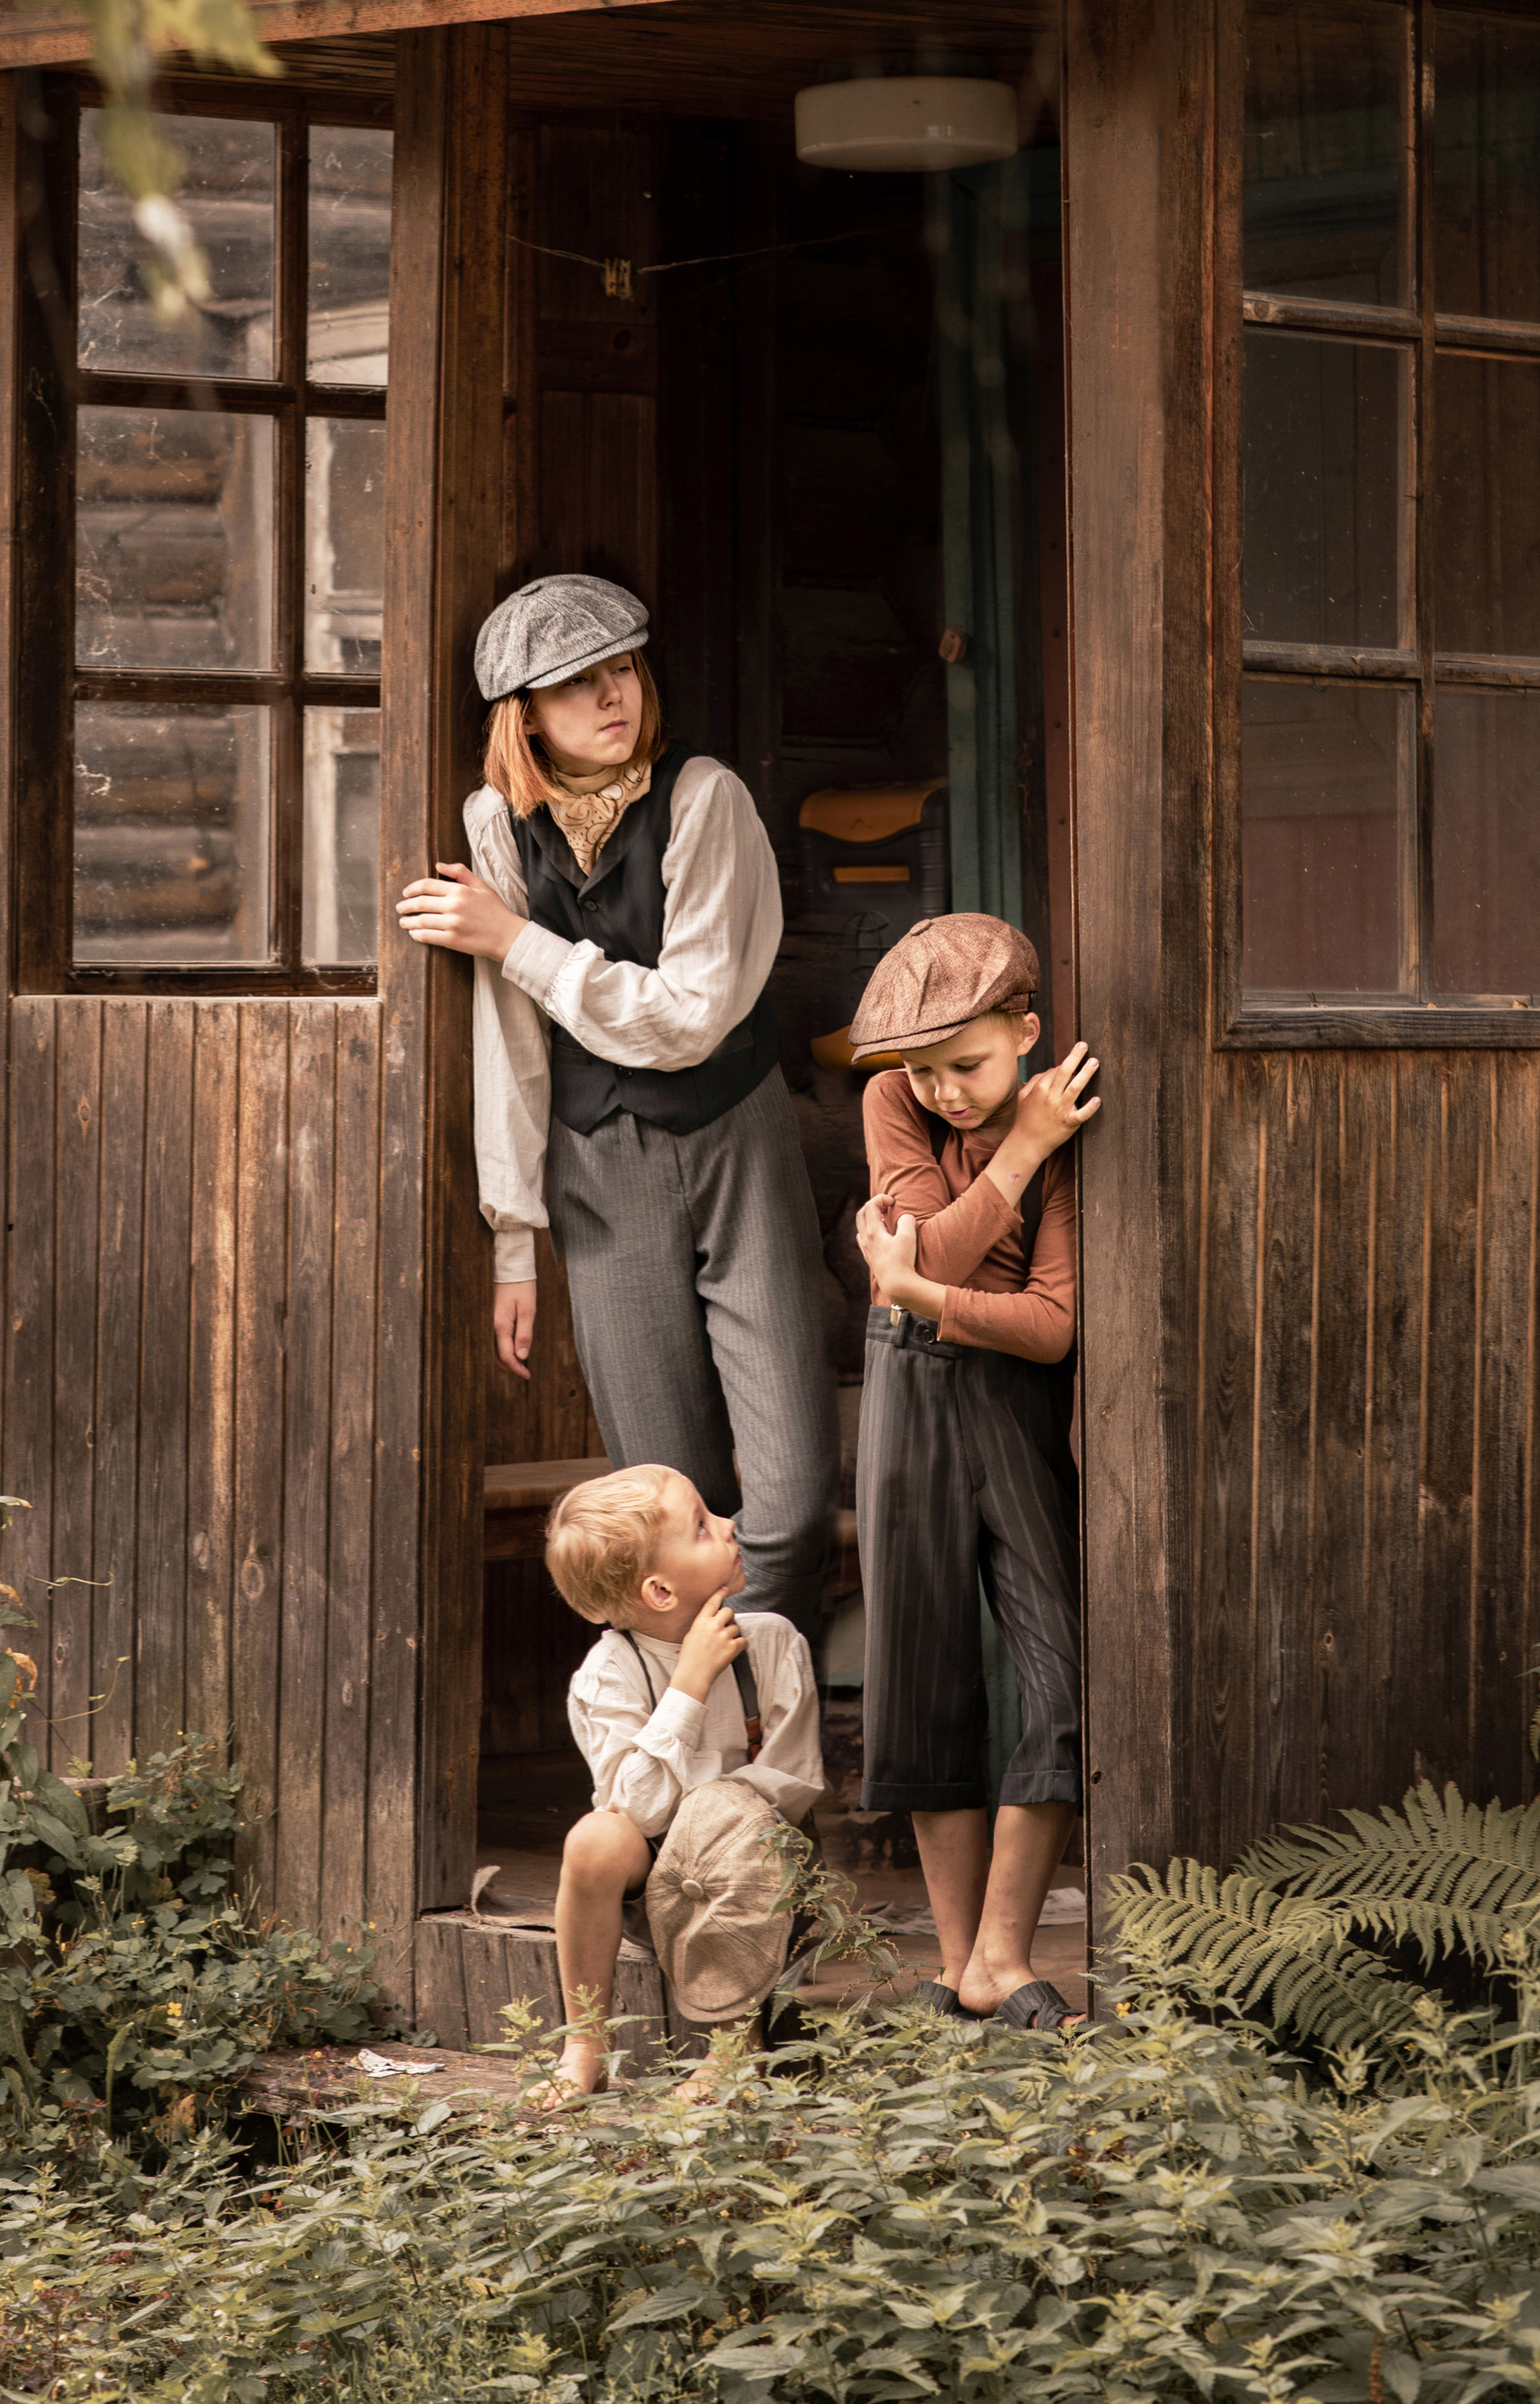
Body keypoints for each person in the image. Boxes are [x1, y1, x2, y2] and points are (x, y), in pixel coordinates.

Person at [396, 574, 838, 1642]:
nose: (612, 695)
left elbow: (687, 1019)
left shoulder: (704, 800)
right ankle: (692, 1763)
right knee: (659, 1503)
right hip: (595, 1167)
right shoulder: (494, 827)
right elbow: (508, 1047)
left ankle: (769, 1758)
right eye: (575, 684)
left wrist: (516, 939)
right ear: (525, 717)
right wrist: (514, 1243)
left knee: (785, 1506)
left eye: (622, 668)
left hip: (736, 1140)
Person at [847, 913, 1098, 2033]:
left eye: (972, 1063)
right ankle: (961, 1968)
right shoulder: (891, 1100)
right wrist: (1019, 1154)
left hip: (1007, 1400)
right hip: (904, 1390)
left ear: (1027, 1032)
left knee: (1059, 1672)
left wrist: (919, 1294)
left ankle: (1005, 1951)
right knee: (922, 1676)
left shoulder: (1074, 1118)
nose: (945, 1091)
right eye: (925, 1069)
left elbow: (1047, 1329)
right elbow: (927, 1252)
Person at [542, 1462, 823, 2096]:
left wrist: (709, 1816)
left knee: (725, 1805)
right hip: (656, 1879)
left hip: (764, 1876)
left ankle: (733, 2047)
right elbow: (633, 1811)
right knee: (594, 1838)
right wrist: (689, 1685)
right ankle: (585, 2042)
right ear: (660, 1591)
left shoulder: (773, 1644)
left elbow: (795, 1784)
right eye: (702, 1527)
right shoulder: (609, 1674)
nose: (728, 1526)